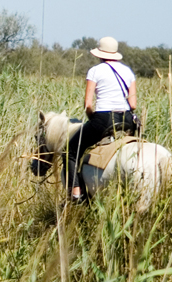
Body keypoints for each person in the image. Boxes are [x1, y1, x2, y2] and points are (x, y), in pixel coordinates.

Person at [65, 36, 139, 202]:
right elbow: (133, 104)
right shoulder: (128, 72)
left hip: (103, 118)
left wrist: (92, 120)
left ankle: (76, 192)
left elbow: (88, 104)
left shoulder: (95, 71)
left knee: (70, 150)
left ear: (100, 54)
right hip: (126, 119)